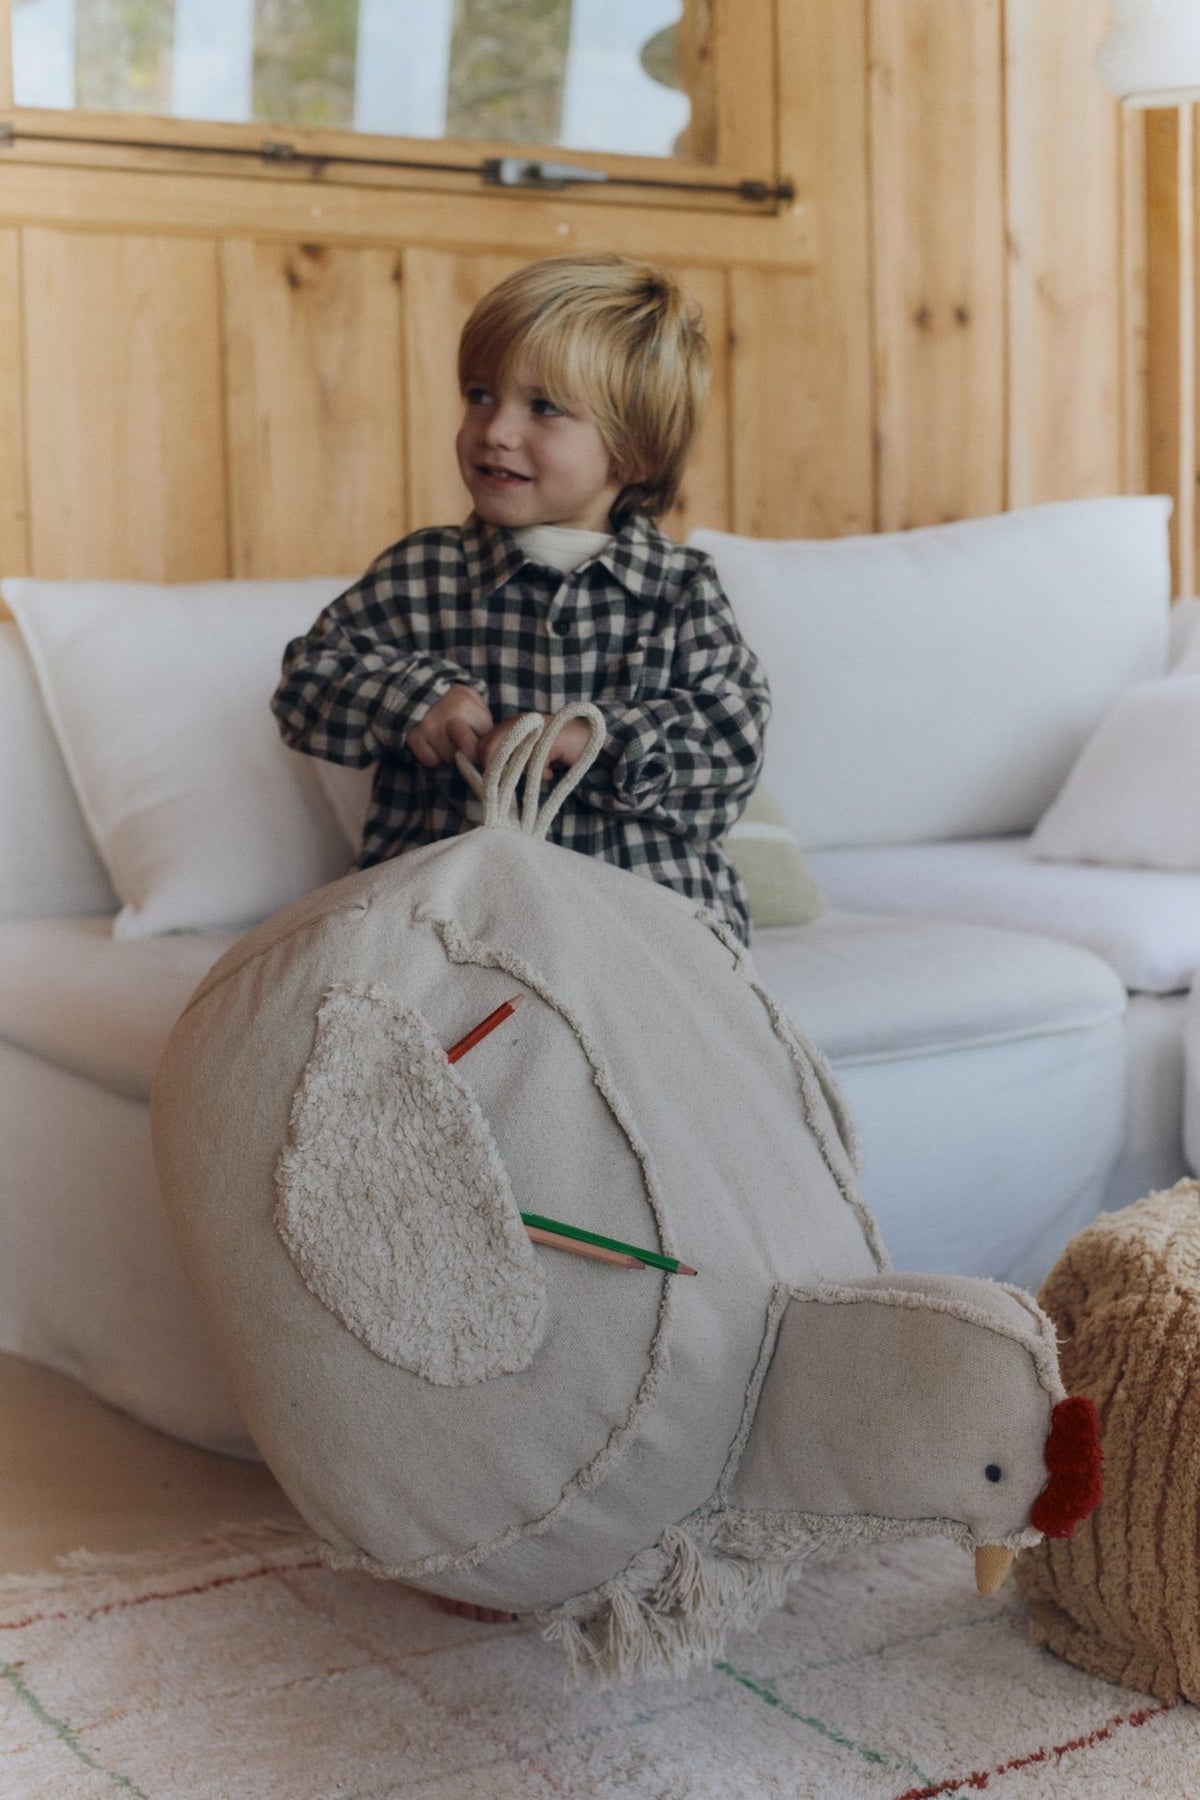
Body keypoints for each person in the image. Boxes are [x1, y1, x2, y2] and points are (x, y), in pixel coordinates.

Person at [271, 252, 770, 944]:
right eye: (480, 394)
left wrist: (591, 741)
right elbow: (307, 680)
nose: (496, 430)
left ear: (636, 453)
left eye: (544, 408)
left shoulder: (680, 591)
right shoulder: (424, 572)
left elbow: (732, 736)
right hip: (445, 929)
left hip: (640, 927)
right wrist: (411, 699)